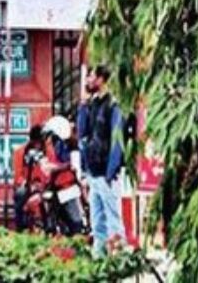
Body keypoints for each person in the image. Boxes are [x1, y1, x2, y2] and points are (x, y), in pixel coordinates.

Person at [77, 65, 125, 256]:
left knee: (113, 218)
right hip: (93, 172)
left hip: (106, 173)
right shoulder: (91, 105)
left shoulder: (113, 106)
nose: (87, 81)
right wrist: (82, 105)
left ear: (100, 79)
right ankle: (99, 259)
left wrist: (111, 171)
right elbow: (82, 133)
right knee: (97, 221)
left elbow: (117, 140)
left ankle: (118, 259)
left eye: (90, 76)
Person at [11, 125, 46, 229]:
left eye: (40, 143)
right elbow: (18, 176)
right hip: (27, 185)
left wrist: (41, 185)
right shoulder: (20, 152)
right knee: (20, 193)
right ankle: (21, 227)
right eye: (36, 143)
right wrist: (29, 184)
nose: (38, 146)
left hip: (43, 186)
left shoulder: (47, 151)